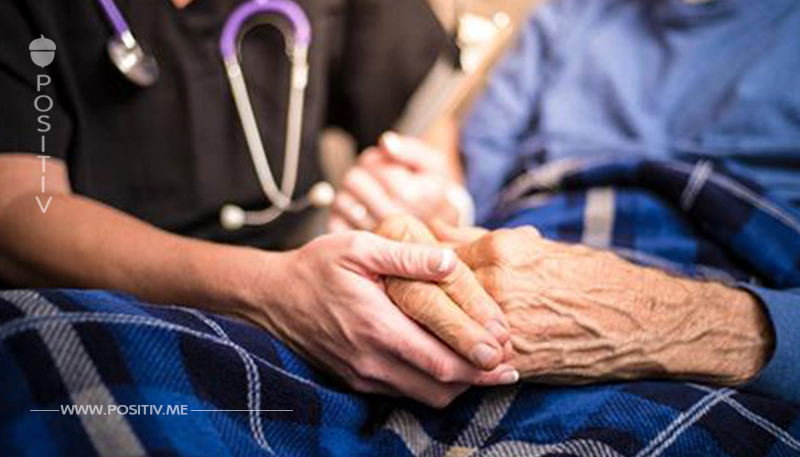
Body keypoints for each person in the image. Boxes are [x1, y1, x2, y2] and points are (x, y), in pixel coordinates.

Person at [0, 0, 521, 408]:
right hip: (105, 315)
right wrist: (271, 291)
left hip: (322, 303)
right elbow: (21, 210)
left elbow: (428, 131)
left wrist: (431, 198)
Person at [335, 0, 800, 405]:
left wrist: (670, 322)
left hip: (731, 271)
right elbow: (474, 190)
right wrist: (436, 203)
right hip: (519, 256)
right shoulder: (566, 16)